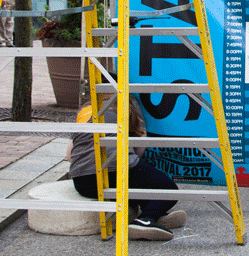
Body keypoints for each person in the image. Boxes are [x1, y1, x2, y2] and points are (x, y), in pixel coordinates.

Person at [69, 93, 185, 241]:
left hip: (82, 182)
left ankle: (156, 215)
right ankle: (146, 220)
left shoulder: (84, 109)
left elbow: (69, 155)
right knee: (168, 189)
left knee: (136, 185)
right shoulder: (127, 103)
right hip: (115, 167)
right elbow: (140, 144)